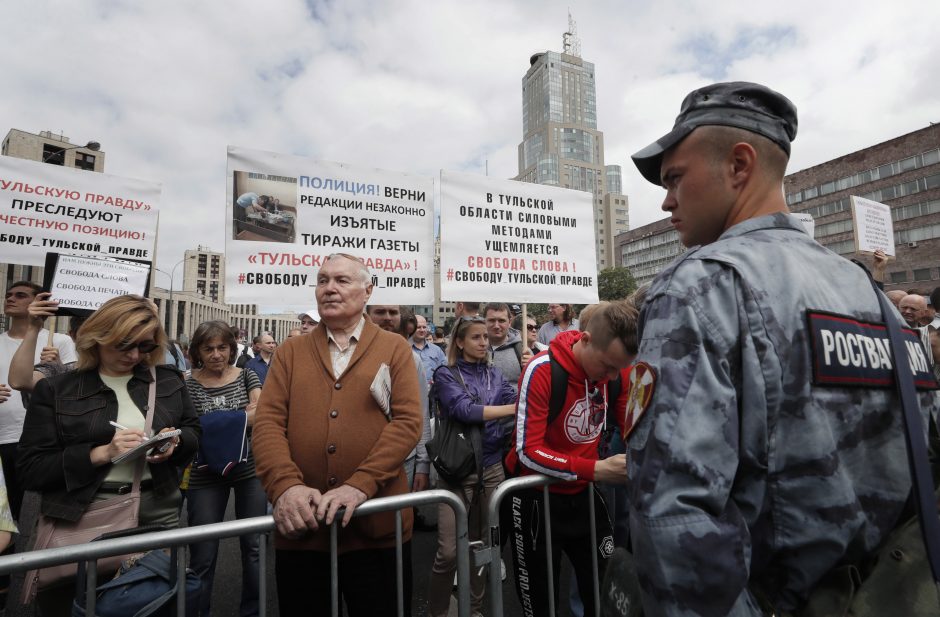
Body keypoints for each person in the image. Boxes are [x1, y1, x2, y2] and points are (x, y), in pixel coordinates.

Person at [625, 81, 940, 616]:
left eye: (676, 177)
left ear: (739, 166)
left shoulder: (700, 287)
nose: (666, 198)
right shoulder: (872, 295)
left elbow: (674, 517)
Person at [252, 253, 422, 617]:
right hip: (303, 530)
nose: (329, 288)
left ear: (367, 291)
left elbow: (407, 423)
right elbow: (267, 424)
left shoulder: (394, 349)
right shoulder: (289, 352)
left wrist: (361, 484)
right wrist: (286, 487)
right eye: (322, 280)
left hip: (377, 527)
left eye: (341, 281)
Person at [17, 294, 200, 616]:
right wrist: (102, 453)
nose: (134, 355)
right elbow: (31, 469)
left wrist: (175, 443)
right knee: (74, 606)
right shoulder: (58, 389)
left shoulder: (169, 381)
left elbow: (193, 432)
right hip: (82, 517)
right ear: (97, 339)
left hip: (158, 512)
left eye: (145, 346)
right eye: (123, 345)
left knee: (151, 605)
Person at [505, 301, 638, 617]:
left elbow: (632, 431)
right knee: (541, 601)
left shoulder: (616, 373)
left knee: (606, 592)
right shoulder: (543, 369)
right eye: (606, 366)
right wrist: (595, 468)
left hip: (584, 494)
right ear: (585, 339)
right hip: (537, 500)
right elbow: (527, 451)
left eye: (618, 369)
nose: (611, 376)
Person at [426, 316, 517, 617]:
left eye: (485, 337)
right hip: (456, 471)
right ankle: (438, 611)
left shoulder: (495, 375)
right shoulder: (445, 374)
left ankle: (474, 610)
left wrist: (528, 373)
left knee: (481, 548)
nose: (483, 342)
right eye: (476, 337)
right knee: (449, 552)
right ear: (460, 342)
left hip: (491, 469)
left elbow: (517, 398)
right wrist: (513, 409)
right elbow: (464, 410)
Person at [184, 320, 264, 617]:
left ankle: (253, 611)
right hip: (204, 473)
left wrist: (212, 423)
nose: (216, 354)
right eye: (208, 348)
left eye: (222, 347)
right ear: (197, 352)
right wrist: (240, 418)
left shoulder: (248, 375)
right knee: (202, 552)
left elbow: (262, 413)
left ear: (232, 349)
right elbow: (188, 426)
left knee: (254, 547)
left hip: (249, 467)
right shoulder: (187, 381)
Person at [1, 281, 77, 520]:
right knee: (5, 514)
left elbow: (73, 385)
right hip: (3, 437)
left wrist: (57, 366)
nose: (10, 299)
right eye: (8, 295)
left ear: (38, 303)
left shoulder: (59, 341)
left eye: (20, 295)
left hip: (40, 439)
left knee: (35, 512)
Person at [365, 305, 433, 495]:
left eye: (393, 313)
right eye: (379, 312)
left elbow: (421, 413)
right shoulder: (350, 356)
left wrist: (422, 464)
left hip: (404, 460)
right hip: (359, 458)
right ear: (367, 315)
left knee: (396, 521)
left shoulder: (412, 359)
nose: (387, 318)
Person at [484, 302, 530, 394]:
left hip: (513, 406)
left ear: (509, 322)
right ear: (484, 321)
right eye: (492, 320)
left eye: (501, 321)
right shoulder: (473, 349)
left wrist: (532, 368)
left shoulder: (523, 351)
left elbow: (534, 387)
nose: (496, 326)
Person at [410, 314, 446, 385]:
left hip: (433, 393)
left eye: (424, 327)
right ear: (412, 328)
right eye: (418, 327)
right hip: (412, 392)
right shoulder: (405, 348)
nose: (422, 330)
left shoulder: (436, 350)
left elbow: (445, 370)